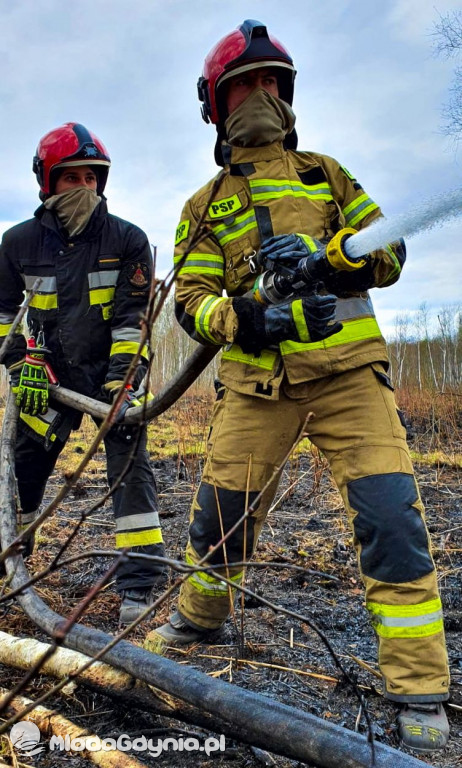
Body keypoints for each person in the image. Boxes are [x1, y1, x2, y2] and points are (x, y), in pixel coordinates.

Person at [153, 20, 452, 752]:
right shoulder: (203, 205)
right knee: (220, 517)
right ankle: (200, 615)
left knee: (391, 520)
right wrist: (246, 316)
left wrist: (329, 259)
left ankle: (418, 687)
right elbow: (190, 299)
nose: (259, 94)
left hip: (352, 380)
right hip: (257, 385)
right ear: (216, 107)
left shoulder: (328, 174)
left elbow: (393, 251)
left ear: (287, 95)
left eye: (269, 83)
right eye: (243, 86)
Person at [0, 122, 166, 624]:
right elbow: (5, 318)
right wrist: (20, 360)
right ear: (48, 182)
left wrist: (123, 382)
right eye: (72, 178)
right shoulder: (16, 245)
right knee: (22, 469)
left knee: (130, 468)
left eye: (92, 178)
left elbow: (132, 322)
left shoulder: (128, 241)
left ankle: (139, 585)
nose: (85, 188)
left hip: (109, 377)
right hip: (44, 378)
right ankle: (11, 562)